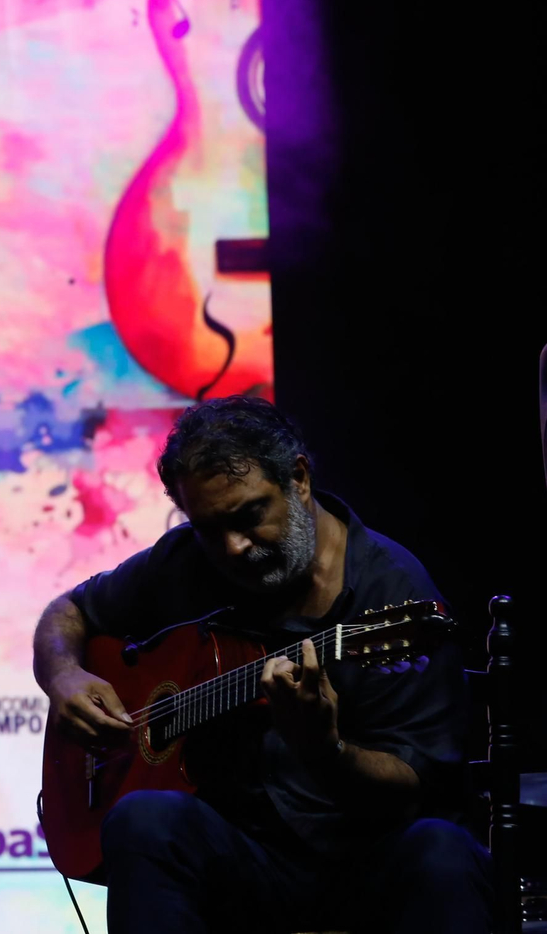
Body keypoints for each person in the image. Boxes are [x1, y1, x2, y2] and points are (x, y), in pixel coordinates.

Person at [33, 397, 490, 933]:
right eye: (208, 528)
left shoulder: (391, 594)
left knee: (442, 851)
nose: (233, 547)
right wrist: (64, 675)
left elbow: (418, 783)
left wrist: (325, 750)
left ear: (298, 479)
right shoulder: (189, 561)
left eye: (250, 516)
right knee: (142, 820)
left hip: (367, 862)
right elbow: (68, 611)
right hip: (244, 861)